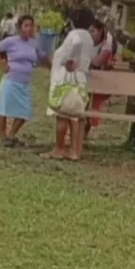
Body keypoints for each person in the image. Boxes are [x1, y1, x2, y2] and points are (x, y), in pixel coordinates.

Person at [0, 15, 51, 147]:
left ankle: (12, 134)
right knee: (3, 109)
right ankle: (3, 136)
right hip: (11, 80)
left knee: (25, 111)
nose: (29, 29)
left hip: (25, 82)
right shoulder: (12, 41)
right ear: (20, 28)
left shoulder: (33, 44)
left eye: (31, 26)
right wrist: (2, 64)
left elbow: (43, 57)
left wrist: (53, 68)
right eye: (26, 26)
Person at [43, 8, 96, 161]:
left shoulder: (76, 35)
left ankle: (59, 148)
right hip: (80, 79)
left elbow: (76, 44)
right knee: (74, 115)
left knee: (62, 115)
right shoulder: (89, 38)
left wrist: (70, 60)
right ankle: (73, 151)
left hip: (66, 79)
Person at [84, 19, 116, 138]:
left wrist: (84, 59)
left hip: (101, 81)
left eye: (93, 31)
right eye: (89, 31)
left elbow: (98, 62)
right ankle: (81, 132)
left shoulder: (107, 44)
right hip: (86, 79)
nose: (90, 34)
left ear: (101, 31)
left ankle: (88, 130)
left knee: (93, 108)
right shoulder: (88, 43)